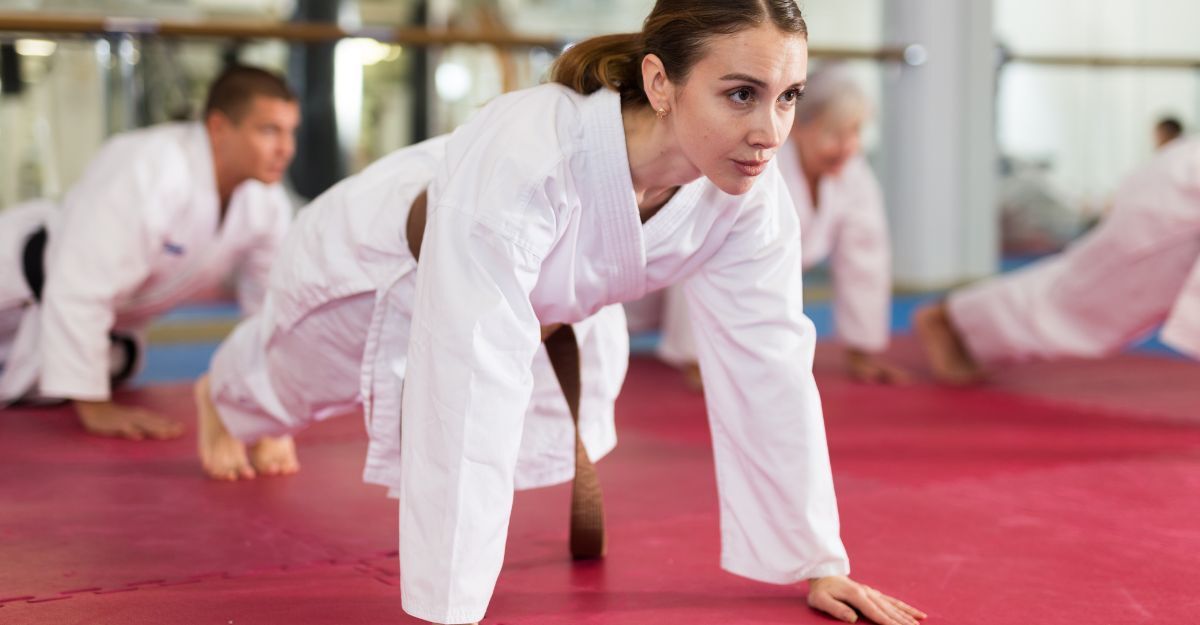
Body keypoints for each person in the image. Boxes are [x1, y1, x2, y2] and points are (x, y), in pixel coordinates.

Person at [197, 2, 926, 624]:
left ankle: (249, 413)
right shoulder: (538, 146)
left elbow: (770, 359)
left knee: (319, 409)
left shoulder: (746, 191)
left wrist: (817, 558)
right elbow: (469, 368)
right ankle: (218, 397)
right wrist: (449, 607)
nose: (771, 130)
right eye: (741, 94)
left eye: (789, 95)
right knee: (281, 388)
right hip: (376, 261)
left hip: (539, 293)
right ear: (660, 82)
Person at [0, 65, 299, 449]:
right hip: (16, 288)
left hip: (87, 329)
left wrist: (267, 408)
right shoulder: (151, 166)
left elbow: (268, 312)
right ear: (219, 126)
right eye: (269, 130)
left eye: (291, 131)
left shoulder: (266, 206)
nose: (286, 148)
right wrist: (96, 409)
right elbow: (79, 284)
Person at [656, 65, 908, 387]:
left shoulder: (852, 173)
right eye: (835, 134)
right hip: (658, 287)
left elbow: (865, 257)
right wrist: (697, 359)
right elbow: (699, 251)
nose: (848, 146)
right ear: (799, 126)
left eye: (856, 132)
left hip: (746, 303)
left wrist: (862, 349)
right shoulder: (754, 165)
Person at [916, 136, 1200, 384]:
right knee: (1088, 298)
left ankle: (959, 320)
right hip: (1174, 199)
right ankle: (947, 318)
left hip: (1178, 189)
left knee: (1092, 297)